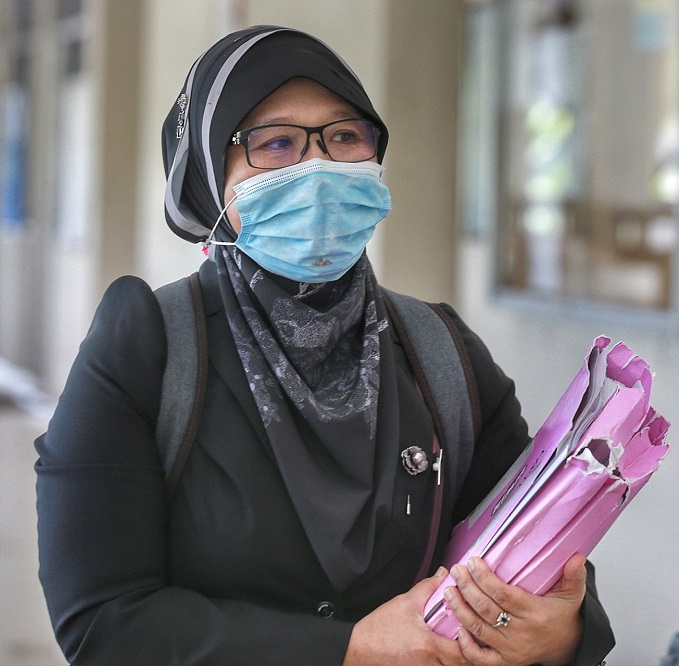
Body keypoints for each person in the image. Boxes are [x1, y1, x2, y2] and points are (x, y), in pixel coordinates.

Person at [35, 25, 614, 665]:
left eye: (345, 137)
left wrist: (557, 633)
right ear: (209, 175)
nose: (319, 167)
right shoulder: (149, 345)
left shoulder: (442, 353)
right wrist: (350, 649)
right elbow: (101, 623)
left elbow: (531, 552)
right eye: (275, 143)